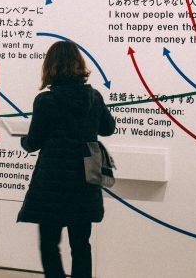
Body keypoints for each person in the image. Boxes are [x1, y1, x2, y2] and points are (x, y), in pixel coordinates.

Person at [17, 40, 116, 278]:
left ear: (50, 66)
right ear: (78, 64)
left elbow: (34, 142)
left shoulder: (46, 101)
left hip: (53, 179)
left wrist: (23, 140)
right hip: (85, 177)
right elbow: (108, 128)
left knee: (50, 243)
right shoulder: (94, 97)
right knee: (81, 244)